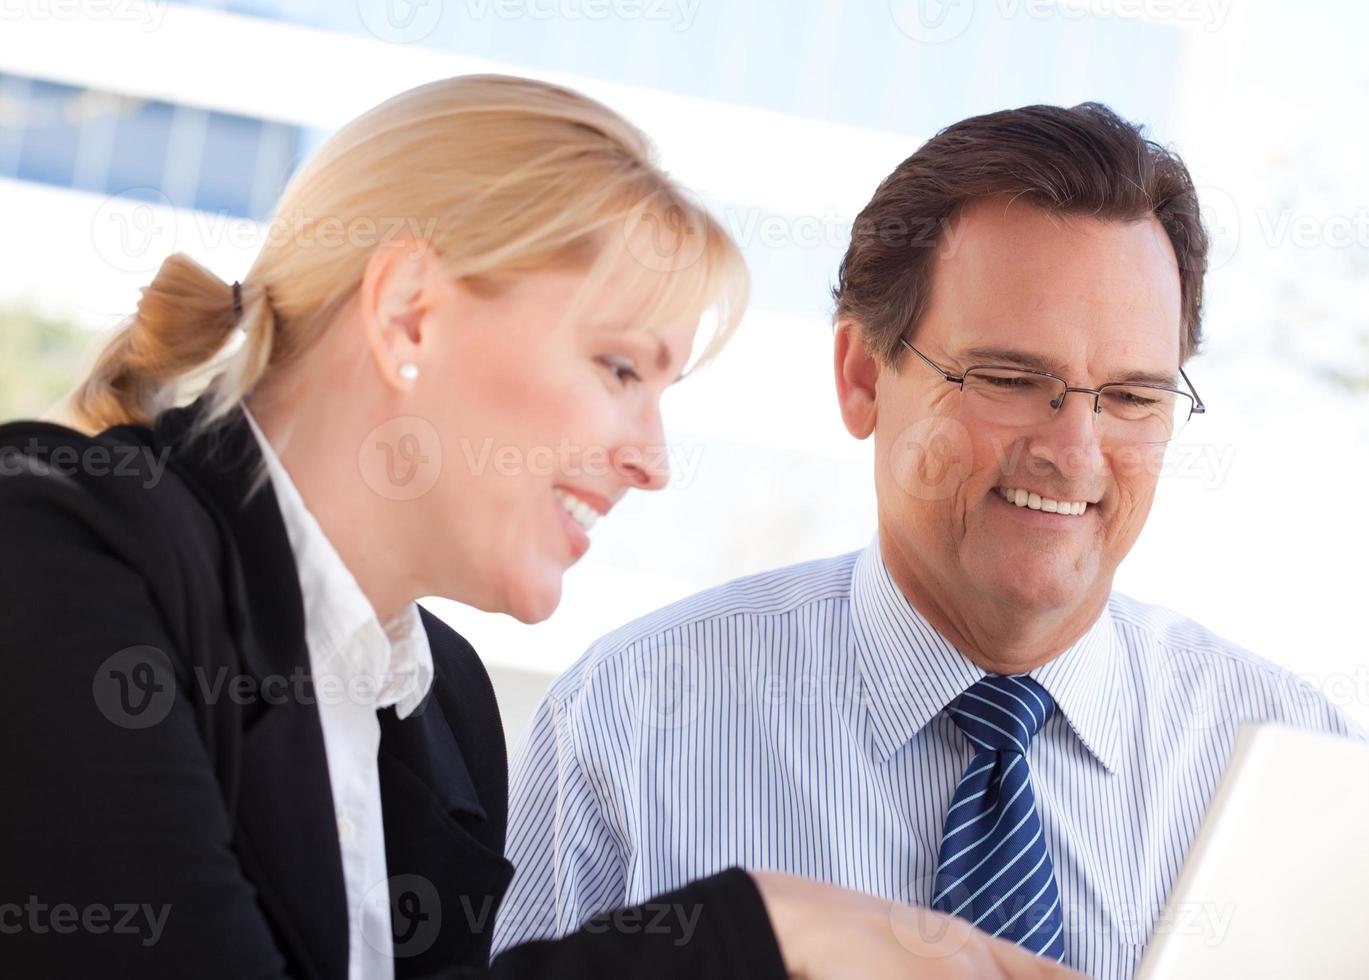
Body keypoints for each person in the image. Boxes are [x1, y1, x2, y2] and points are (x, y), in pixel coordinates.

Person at [0, 75, 1077, 980]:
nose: (653, 460)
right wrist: (757, 926)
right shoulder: (61, 549)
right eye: (618, 368)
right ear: (410, 311)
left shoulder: (442, 715)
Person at [492, 102, 1367, 979]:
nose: (1074, 453)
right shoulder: (631, 721)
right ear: (863, 376)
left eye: (1134, 397)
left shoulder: (1298, 766)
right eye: (1011, 379)